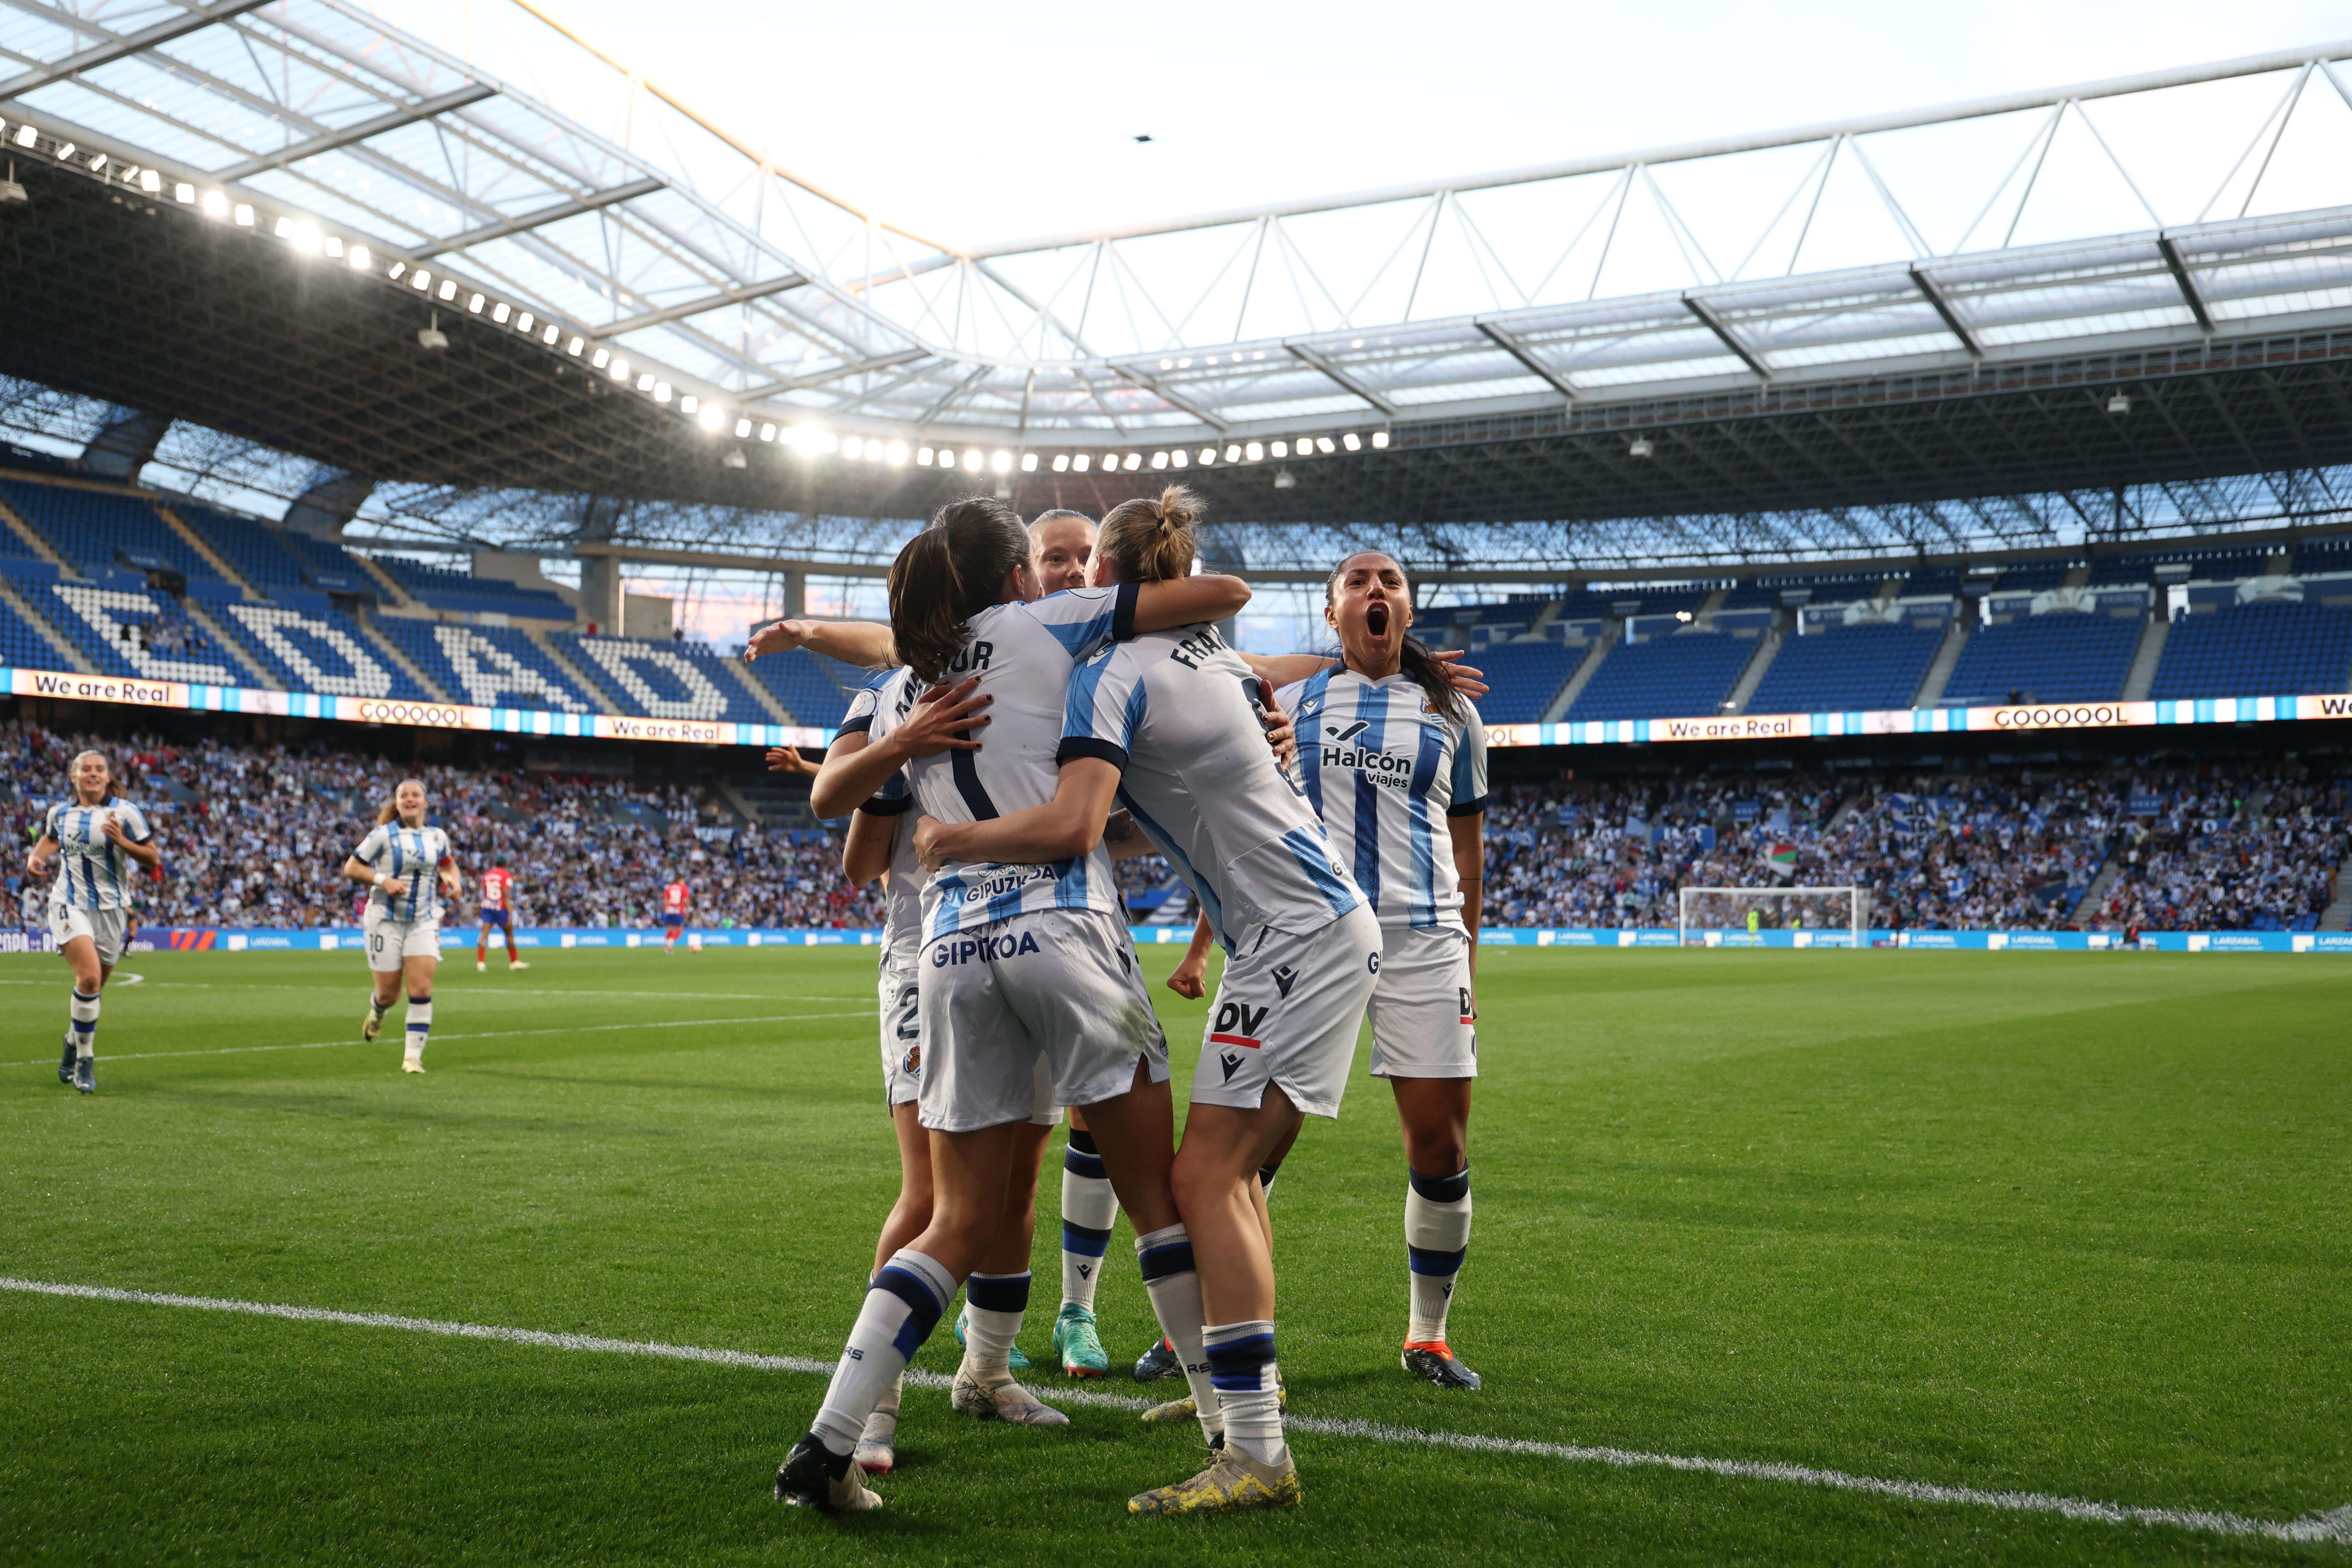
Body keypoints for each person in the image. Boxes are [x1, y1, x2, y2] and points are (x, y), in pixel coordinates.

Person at [773, 495, 1252, 1514]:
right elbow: (1221, 594)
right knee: (1155, 1193)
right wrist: (1127, 596)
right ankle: (1229, 1430)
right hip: (1072, 940)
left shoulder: (909, 682)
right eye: (1040, 565)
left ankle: (833, 1438)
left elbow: (839, 805)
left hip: (948, 952)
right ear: (1012, 577)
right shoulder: (1051, 624)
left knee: (956, 1217)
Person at [914, 486, 1382, 1516]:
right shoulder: (1218, 659)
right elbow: (1177, 798)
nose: (1066, 583)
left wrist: (952, 839)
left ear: (1118, 581)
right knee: (1227, 1178)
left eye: (1085, 569)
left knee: (1206, 1179)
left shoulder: (1115, 671)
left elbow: (1079, 821)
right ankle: (1231, 1389)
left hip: (1292, 937)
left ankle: (1255, 1450)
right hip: (1301, 929)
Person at [1267, 549, 1488, 1391]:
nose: (1375, 590)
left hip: (1424, 937)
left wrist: (1467, 955)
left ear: (1409, 607)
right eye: (1358, 582)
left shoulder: (1453, 714)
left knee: (1440, 1141)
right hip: (1312, 934)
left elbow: (1468, 845)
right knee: (1257, 1139)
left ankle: (1427, 1335)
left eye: (1390, 581)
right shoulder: (1295, 696)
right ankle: (1200, 1333)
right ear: (1333, 614)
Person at [26, 750, 160, 1094]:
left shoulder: (126, 813)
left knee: (95, 988)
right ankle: (85, 1060)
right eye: (86, 769)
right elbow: (51, 839)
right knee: (87, 979)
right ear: (74, 776)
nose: (94, 774)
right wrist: (35, 858)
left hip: (112, 909)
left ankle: (72, 1040)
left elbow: (152, 858)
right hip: (69, 902)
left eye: (100, 769)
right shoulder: (61, 813)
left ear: (106, 776)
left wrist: (122, 842)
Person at [343, 778, 460, 1074]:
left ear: (425, 802)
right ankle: (378, 1011)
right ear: (396, 803)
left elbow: (447, 864)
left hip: (423, 920)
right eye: (403, 795)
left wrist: (453, 881)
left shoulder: (437, 837)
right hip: (385, 921)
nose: (410, 799)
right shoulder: (383, 835)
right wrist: (385, 881)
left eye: (415, 795)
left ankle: (413, 1058)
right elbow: (352, 867)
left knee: (420, 987)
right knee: (389, 995)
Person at [475, 858, 529, 973]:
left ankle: (481, 963)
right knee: (509, 934)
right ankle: (514, 962)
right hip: (501, 908)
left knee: (484, 935)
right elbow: (505, 895)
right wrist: (510, 912)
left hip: (487, 906)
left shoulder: (487, 875)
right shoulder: (506, 876)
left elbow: (484, 890)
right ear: (506, 864)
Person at [662, 876, 690, 953]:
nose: (684, 882)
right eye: (683, 880)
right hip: (678, 910)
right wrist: (687, 910)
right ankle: (670, 943)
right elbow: (686, 900)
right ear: (680, 880)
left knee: (670, 929)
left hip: (669, 910)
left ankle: (668, 948)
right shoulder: (684, 888)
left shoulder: (669, 887)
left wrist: (665, 909)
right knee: (680, 929)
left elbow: (665, 900)